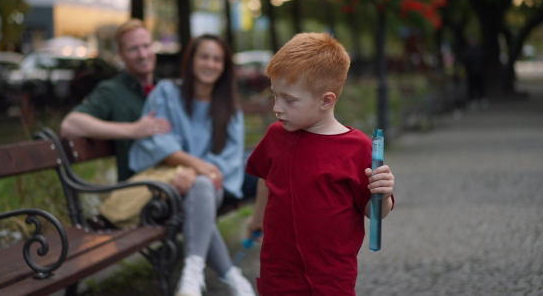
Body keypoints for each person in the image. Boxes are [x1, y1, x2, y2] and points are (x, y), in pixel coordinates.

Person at [245, 32, 395, 295]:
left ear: (326, 100)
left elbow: (374, 213)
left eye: (289, 100)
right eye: (275, 96)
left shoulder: (357, 148)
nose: (277, 108)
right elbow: (265, 181)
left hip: (330, 278)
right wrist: (256, 219)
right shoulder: (275, 136)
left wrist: (382, 193)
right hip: (277, 273)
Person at [128, 34, 256, 296]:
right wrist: (194, 166)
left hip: (212, 184)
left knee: (201, 187)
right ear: (191, 60)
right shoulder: (167, 92)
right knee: (200, 192)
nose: (210, 64)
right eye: (204, 56)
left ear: (224, 66)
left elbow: (228, 160)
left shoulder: (230, 109)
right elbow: (159, 141)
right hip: (169, 184)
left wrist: (198, 172)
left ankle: (193, 276)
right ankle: (230, 278)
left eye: (217, 59)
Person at [60, 19, 171, 182]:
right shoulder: (112, 91)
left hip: (174, 178)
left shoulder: (165, 89)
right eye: (133, 49)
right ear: (120, 54)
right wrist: (133, 130)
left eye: (146, 46)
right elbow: (70, 125)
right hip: (141, 188)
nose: (143, 54)